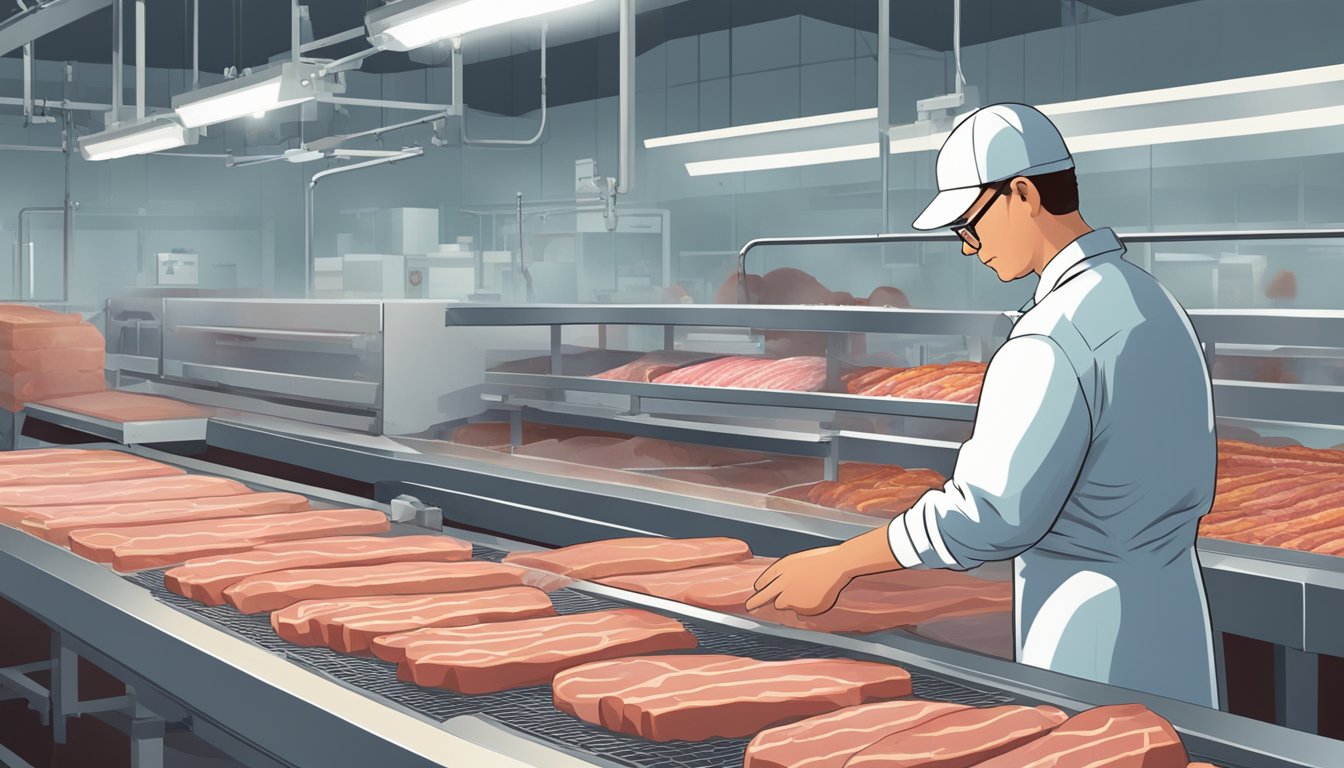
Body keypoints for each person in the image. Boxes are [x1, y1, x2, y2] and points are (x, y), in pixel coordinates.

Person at [746, 103, 1219, 708]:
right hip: (1173, 622)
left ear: (1023, 194)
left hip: (1088, 645)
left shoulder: (1052, 335)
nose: (968, 247)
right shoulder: (1152, 303)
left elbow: (988, 514)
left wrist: (841, 563)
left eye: (970, 224)